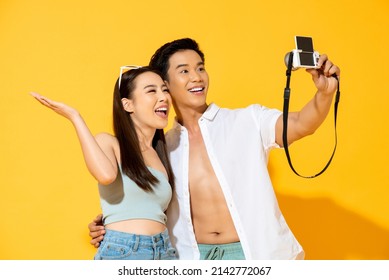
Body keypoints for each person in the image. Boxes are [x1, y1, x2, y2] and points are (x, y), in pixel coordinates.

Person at [88, 38, 341, 260]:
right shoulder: (162, 147)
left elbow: (300, 124)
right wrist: (112, 222)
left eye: (200, 68)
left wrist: (325, 94)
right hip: (191, 258)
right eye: (184, 71)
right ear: (165, 84)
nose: (197, 77)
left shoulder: (247, 120)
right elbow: (147, 200)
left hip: (252, 253)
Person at [31, 66, 178, 260]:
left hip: (165, 251)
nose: (163, 97)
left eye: (164, 90)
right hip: (126, 250)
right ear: (127, 105)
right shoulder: (109, 143)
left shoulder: (162, 154)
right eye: (152, 91)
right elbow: (106, 176)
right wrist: (75, 117)